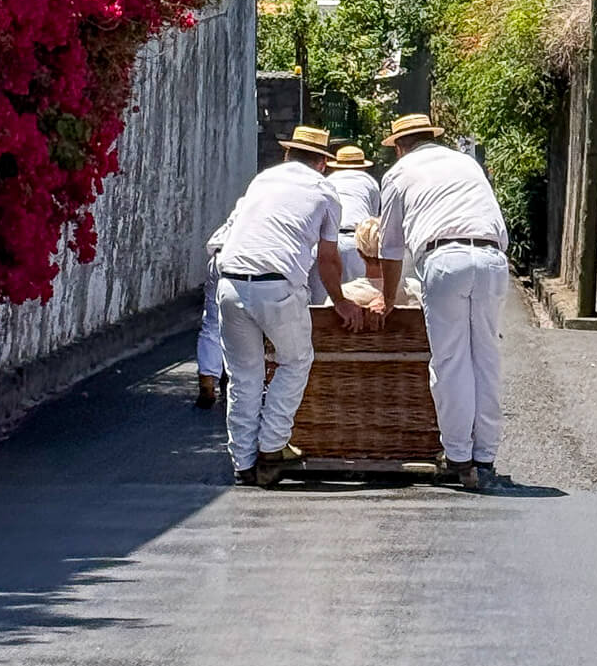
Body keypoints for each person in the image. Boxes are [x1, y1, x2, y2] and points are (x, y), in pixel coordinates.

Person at [216, 124, 355, 488]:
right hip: (276, 285)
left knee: (244, 375)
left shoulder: (263, 181)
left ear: (289, 154)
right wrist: (340, 301)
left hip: (229, 280)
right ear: (323, 163)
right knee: (295, 361)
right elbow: (327, 259)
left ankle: (243, 462)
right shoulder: (325, 191)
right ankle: (272, 447)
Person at [378, 112, 509, 492]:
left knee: (451, 362)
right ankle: (485, 456)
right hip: (491, 257)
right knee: (485, 358)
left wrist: (388, 299)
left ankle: (458, 457)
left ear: (400, 146)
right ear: (431, 137)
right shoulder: (465, 163)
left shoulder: (399, 174)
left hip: (444, 259)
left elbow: (390, 248)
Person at [325, 144, 381, 284]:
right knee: (359, 293)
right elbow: (371, 223)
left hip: (329, 241)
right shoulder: (370, 182)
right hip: (356, 242)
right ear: (363, 166)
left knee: (327, 297)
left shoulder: (328, 181)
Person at [195, 213, 234, 408]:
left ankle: (207, 381)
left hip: (219, 256)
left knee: (212, 323)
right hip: (247, 263)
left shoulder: (249, 202)